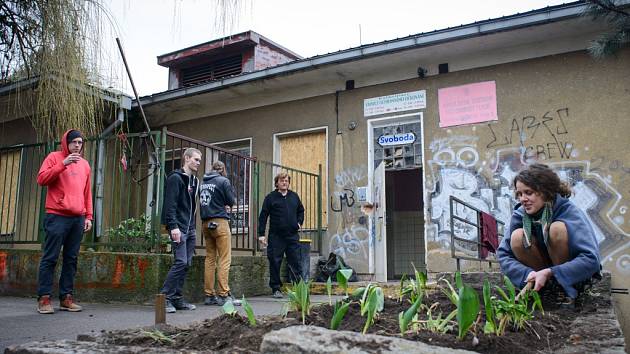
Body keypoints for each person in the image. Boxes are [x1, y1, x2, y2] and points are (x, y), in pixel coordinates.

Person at [497, 163, 601, 304]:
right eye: (519, 194)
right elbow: (503, 254)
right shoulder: (520, 214)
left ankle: (564, 289)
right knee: (517, 237)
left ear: (546, 192)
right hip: (539, 274)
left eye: (528, 192)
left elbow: (591, 259)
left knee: (556, 229)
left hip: (570, 276)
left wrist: (551, 272)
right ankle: (545, 289)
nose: (522, 199)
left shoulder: (568, 211)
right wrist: (527, 273)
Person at [36, 129, 92, 314]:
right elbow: (41, 179)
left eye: (80, 142)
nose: (78, 145)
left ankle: (66, 298)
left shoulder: (85, 165)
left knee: (71, 259)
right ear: (66, 142)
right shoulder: (54, 157)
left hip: (77, 218)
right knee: (50, 257)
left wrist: (88, 216)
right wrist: (62, 164)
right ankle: (44, 299)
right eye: (74, 142)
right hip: (57, 215)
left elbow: (87, 193)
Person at [160, 147, 201, 313]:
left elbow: (192, 207)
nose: (198, 163)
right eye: (196, 159)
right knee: (181, 262)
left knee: (187, 264)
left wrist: (192, 228)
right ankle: (164, 298)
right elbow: (170, 205)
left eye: (199, 160)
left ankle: (176, 298)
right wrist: (173, 226)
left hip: (190, 228)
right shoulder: (175, 179)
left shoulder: (195, 181)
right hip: (179, 227)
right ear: (187, 158)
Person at [200, 161, 241, 306]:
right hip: (219, 222)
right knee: (224, 259)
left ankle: (209, 295)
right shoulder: (223, 181)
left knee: (210, 259)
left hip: (205, 223)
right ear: (223, 169)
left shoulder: (203, 183)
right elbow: (231, 201)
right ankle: (223, 295)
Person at [258, 172, 305, 298]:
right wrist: (261, 234)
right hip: (276, 236)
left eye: (286, 181)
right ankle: (276, 288)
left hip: (292, 236)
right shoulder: (270, 198)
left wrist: (299, 223)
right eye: (282, 180)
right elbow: (263, 216)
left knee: (295, 261)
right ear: (277, 183)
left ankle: (298, 288)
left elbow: (301, 210)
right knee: (274, 261)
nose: (285, 183)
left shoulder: (294, 196)